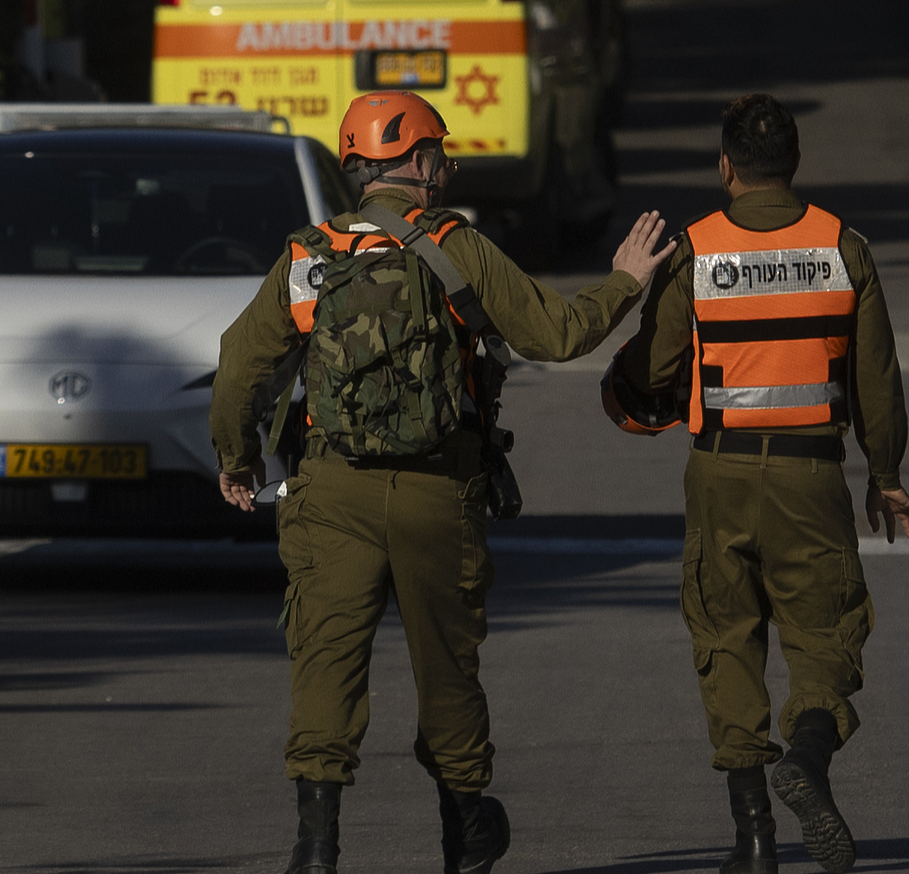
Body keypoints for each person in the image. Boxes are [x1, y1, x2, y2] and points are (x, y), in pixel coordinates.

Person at [212, 91, 674, 874]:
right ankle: (464, 835)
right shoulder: (457, 246)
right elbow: (557, 333)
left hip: (329, 494)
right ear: (421, 164)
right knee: (447, 667)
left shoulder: (306, 257)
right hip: (438, 491)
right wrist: (625, 282)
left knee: (325, 665)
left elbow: (239, 368)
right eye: (441, 153)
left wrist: (238, 459)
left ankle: (317, 849)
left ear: (358, 169)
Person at [611, 93, 909, 874]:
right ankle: (809, 759)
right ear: (793, 165)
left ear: (726, 168)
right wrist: (884, 477)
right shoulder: (841, 246)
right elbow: (878, 381)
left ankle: (753, 840)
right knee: (825, 635)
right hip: (810, 474)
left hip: (718, 472)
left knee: (726, 639)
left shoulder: (696, 249)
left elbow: (651, 369)